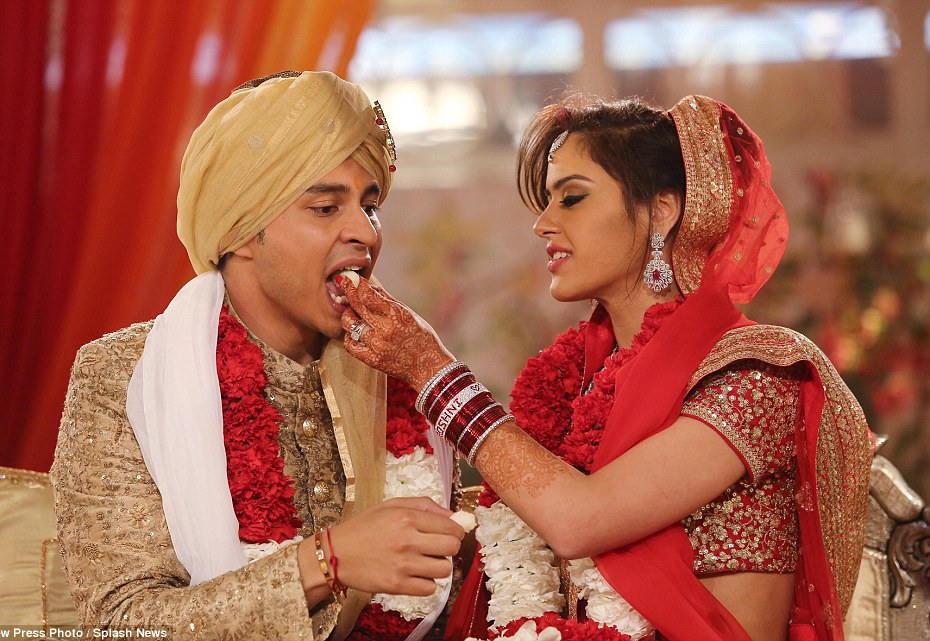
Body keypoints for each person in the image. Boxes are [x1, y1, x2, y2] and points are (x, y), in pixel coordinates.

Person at [334, 92, 873, 641]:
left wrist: (430, 370)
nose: (543, 224)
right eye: (546, 201)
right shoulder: (576, 383)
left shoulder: (754, 377)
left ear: (662, 209)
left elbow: (579, 520)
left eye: (572, 199)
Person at [50, 70, 465, 641]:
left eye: (371, 207)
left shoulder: (397, 359)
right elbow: (122, 625)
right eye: (325, 208)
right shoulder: (126, 377)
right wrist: (327, 562)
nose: (366, 235)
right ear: (242, 230)